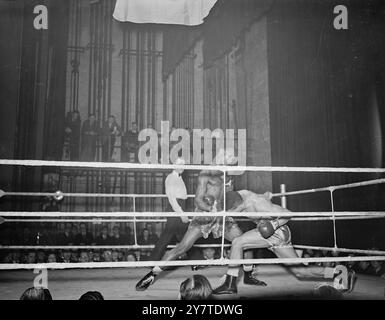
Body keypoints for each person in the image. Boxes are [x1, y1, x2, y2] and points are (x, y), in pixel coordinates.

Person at [135, 149, 262, 291]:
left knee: (244, 241)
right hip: (204, 216)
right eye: (230, 158)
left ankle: (248, 275)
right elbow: (198, 200)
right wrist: (211, 209)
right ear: (221, 157)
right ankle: (152, 275)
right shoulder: (206, 174)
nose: (232, 162)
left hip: (222, 217)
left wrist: (230, 208)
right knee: (182, 247)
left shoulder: (228, 175)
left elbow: (226, 197)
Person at [212, 190, 355, 294]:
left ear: (238, 205)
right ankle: (340, 272)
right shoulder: (239, 196)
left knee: (238, 242)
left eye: (232, 211)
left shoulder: (258, 204)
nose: (232, 215)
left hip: (276, 232)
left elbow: (288, 213)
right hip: (270, 234)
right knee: (300, 273)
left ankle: (230, 284)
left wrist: (272, 225)